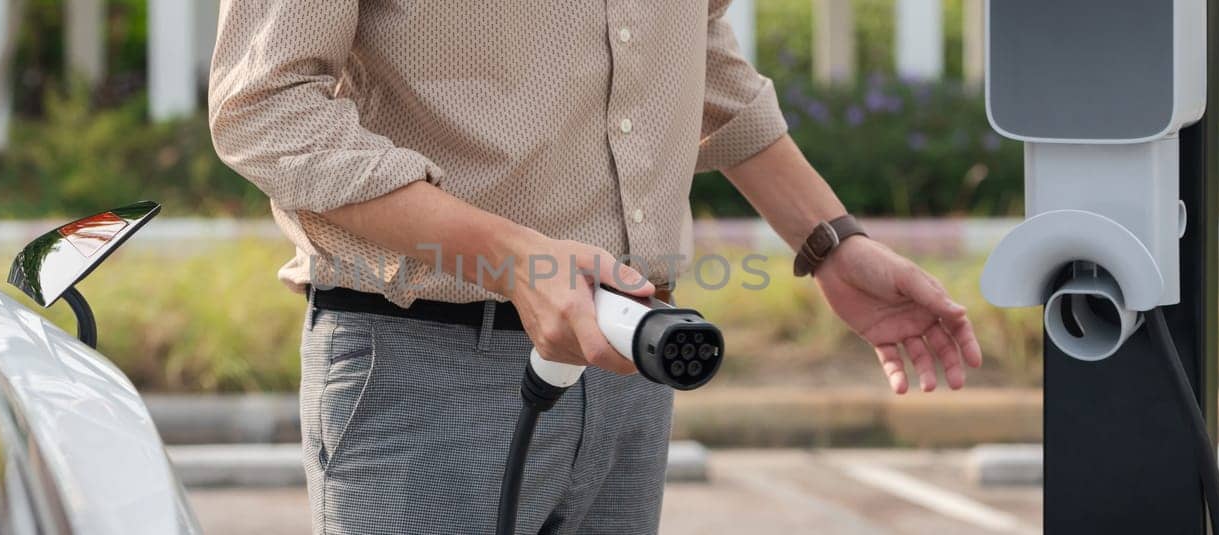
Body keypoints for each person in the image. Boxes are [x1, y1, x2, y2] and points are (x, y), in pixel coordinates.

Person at [209, 1, 985, 532]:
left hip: (628, 371)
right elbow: (265, 105)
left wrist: (831, 241)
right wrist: (512, 259)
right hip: (424, 370)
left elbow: (693, 49)